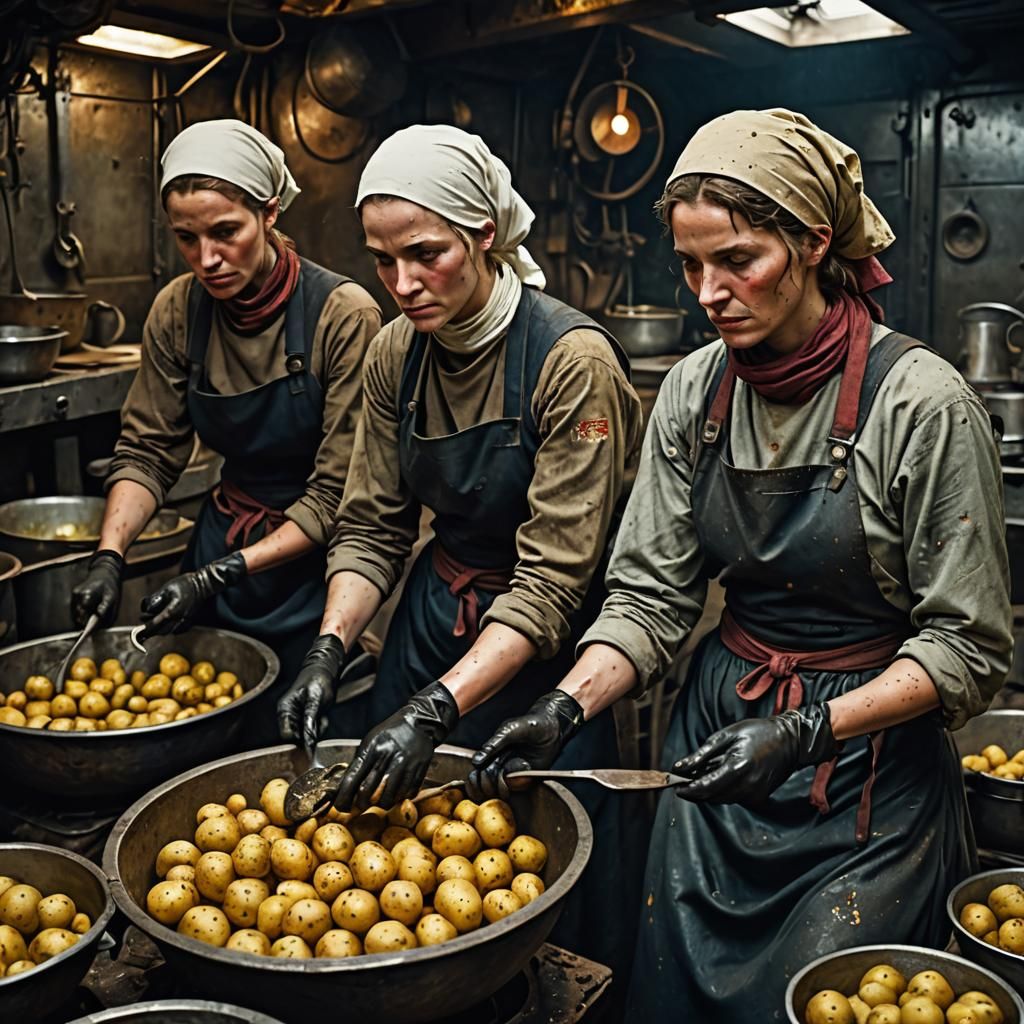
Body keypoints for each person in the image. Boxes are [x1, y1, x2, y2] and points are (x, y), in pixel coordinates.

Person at [469, 108, 1013, 1019]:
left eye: (737, 261)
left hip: (868, 770)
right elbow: (648, 595)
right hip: (719, 745)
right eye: (690, 266)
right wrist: (565, 705)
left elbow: (970, 646)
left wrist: (806, 732)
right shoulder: (694, 389)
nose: (708, 293)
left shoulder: (922, 404)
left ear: (810, 243)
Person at [275, 124, 645, 974]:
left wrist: (435, 712)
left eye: (427, 254)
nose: (403, 284)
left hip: (545, 661)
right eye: (382, 259)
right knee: (385, 858)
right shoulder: (396, 352)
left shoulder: (569, 360)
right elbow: (371, 525)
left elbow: (554, 580)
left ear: (485, 235)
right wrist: (329, 648)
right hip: (432, 623)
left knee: (544, 885)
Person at [71, 119, 381, 737]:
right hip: (220, 551)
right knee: (203, 732)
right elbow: (148, 450)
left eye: (225, 232)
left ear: (268, 214)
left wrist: (221, 572)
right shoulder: (178, 310)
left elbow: (336, 495)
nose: (206, 258)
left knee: (297, 740)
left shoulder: (342, 316)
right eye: (186, 238)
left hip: (315, 571)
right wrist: (110, 555)